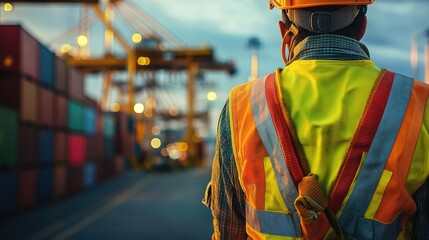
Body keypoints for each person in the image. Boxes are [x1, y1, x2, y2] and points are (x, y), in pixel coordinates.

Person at [203, 0, 429, 239]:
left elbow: (228, 230)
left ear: (284, 30)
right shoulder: (418, 105)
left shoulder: (242, 106)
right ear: (362, 25)